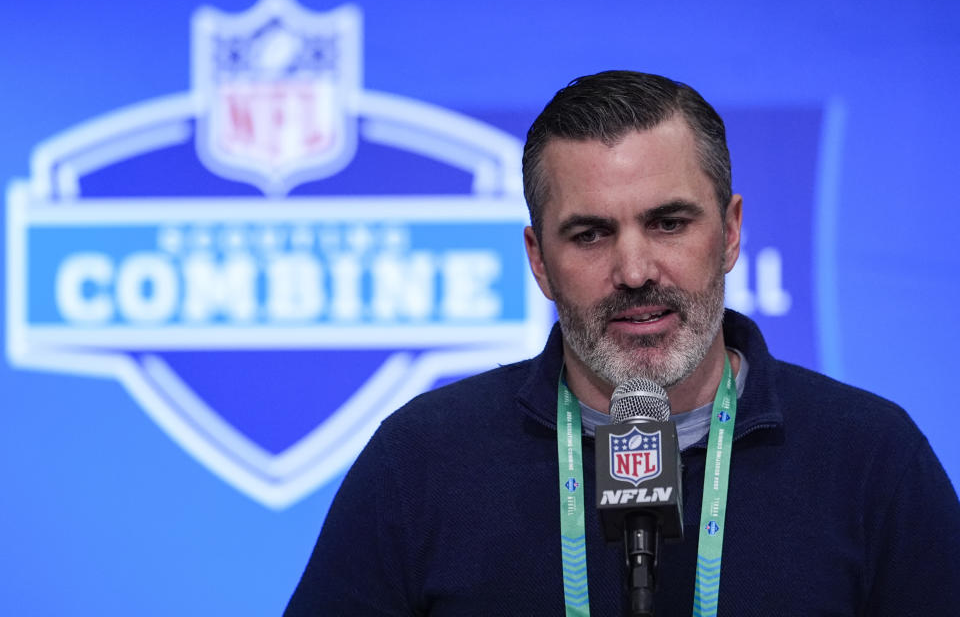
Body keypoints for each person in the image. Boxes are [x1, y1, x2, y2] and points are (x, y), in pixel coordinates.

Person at [284, 71, 960, 616]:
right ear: (539, 260)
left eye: (668, 223)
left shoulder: (871, 456)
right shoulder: (421, 461)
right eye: (589, 235)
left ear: (728, 233)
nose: (635, 271)